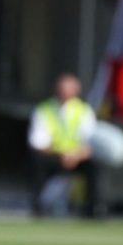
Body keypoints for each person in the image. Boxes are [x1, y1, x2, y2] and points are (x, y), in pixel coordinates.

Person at [27, 73, 102, 217]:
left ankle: (92, 209)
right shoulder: (44, 110)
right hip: (53, 156)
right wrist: (61, 155)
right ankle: (38, 207)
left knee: (95, 165)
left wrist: (75, 155)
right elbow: (37, 142)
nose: (65, 92)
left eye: (69, 88)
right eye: (62, 88)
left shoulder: (84, 110)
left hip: (77, 157)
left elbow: (91, 140)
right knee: (36, 161)